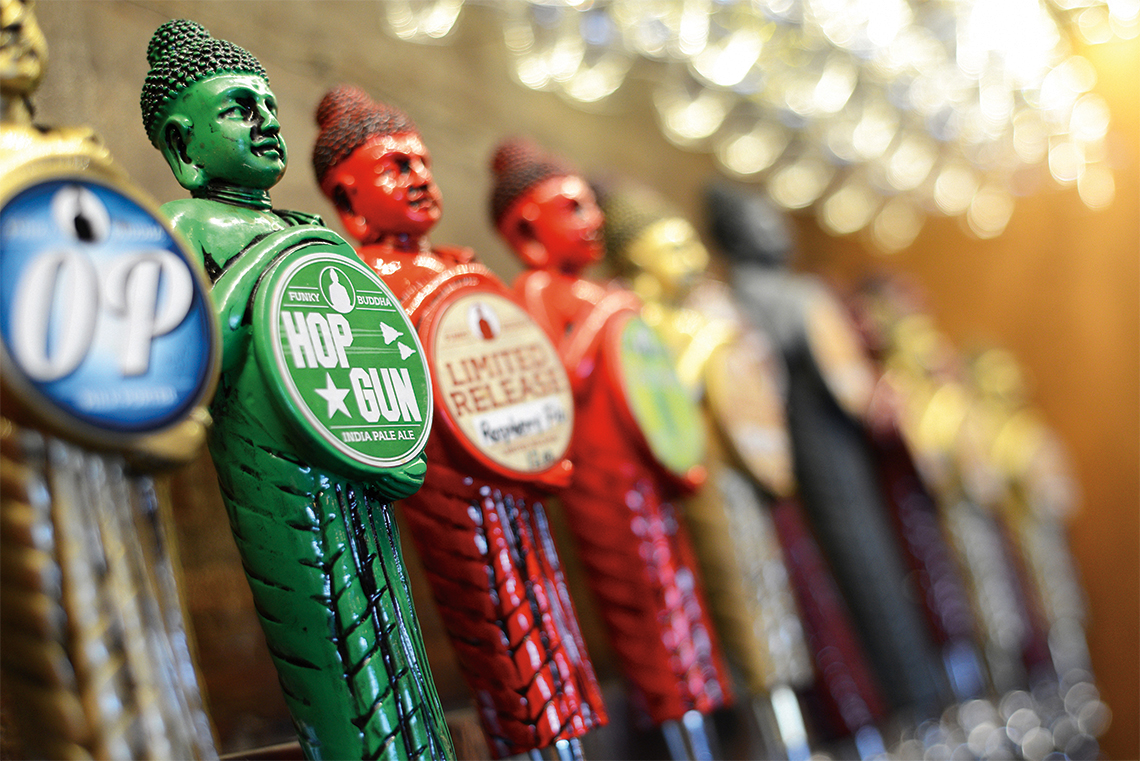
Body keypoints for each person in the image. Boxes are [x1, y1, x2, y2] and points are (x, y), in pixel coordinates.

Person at [141, 21, 452, 761]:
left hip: (360, 472)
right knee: (330, 649)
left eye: (270, 107)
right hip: (275, 473)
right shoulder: (185, 226)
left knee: (395, 641)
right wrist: (271, 272)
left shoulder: (313, 233)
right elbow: (192, 357)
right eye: (239, 109)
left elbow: (376, 344)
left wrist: (394, 445)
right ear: (183, 146)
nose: (266, 122)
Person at [312, 85, 606, 760]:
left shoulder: (459, 265)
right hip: (455, 493)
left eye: (422, 162)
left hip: (520, 483)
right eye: (396, 167)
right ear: (348, 200)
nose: (419, 177)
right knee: (502, 638)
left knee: (551, 627)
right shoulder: (363, 283)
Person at [491, 138, 731, 760]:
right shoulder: (538, 291)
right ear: (526, 229)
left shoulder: (600, 294)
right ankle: (674, 736)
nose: (591, 219)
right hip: (601, 480)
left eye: (590, 206)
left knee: (679, 604)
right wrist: (609, 318)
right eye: (572, 209)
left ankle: (702, 732)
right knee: (643, 613)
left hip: (646, 476)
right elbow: (559, 375)